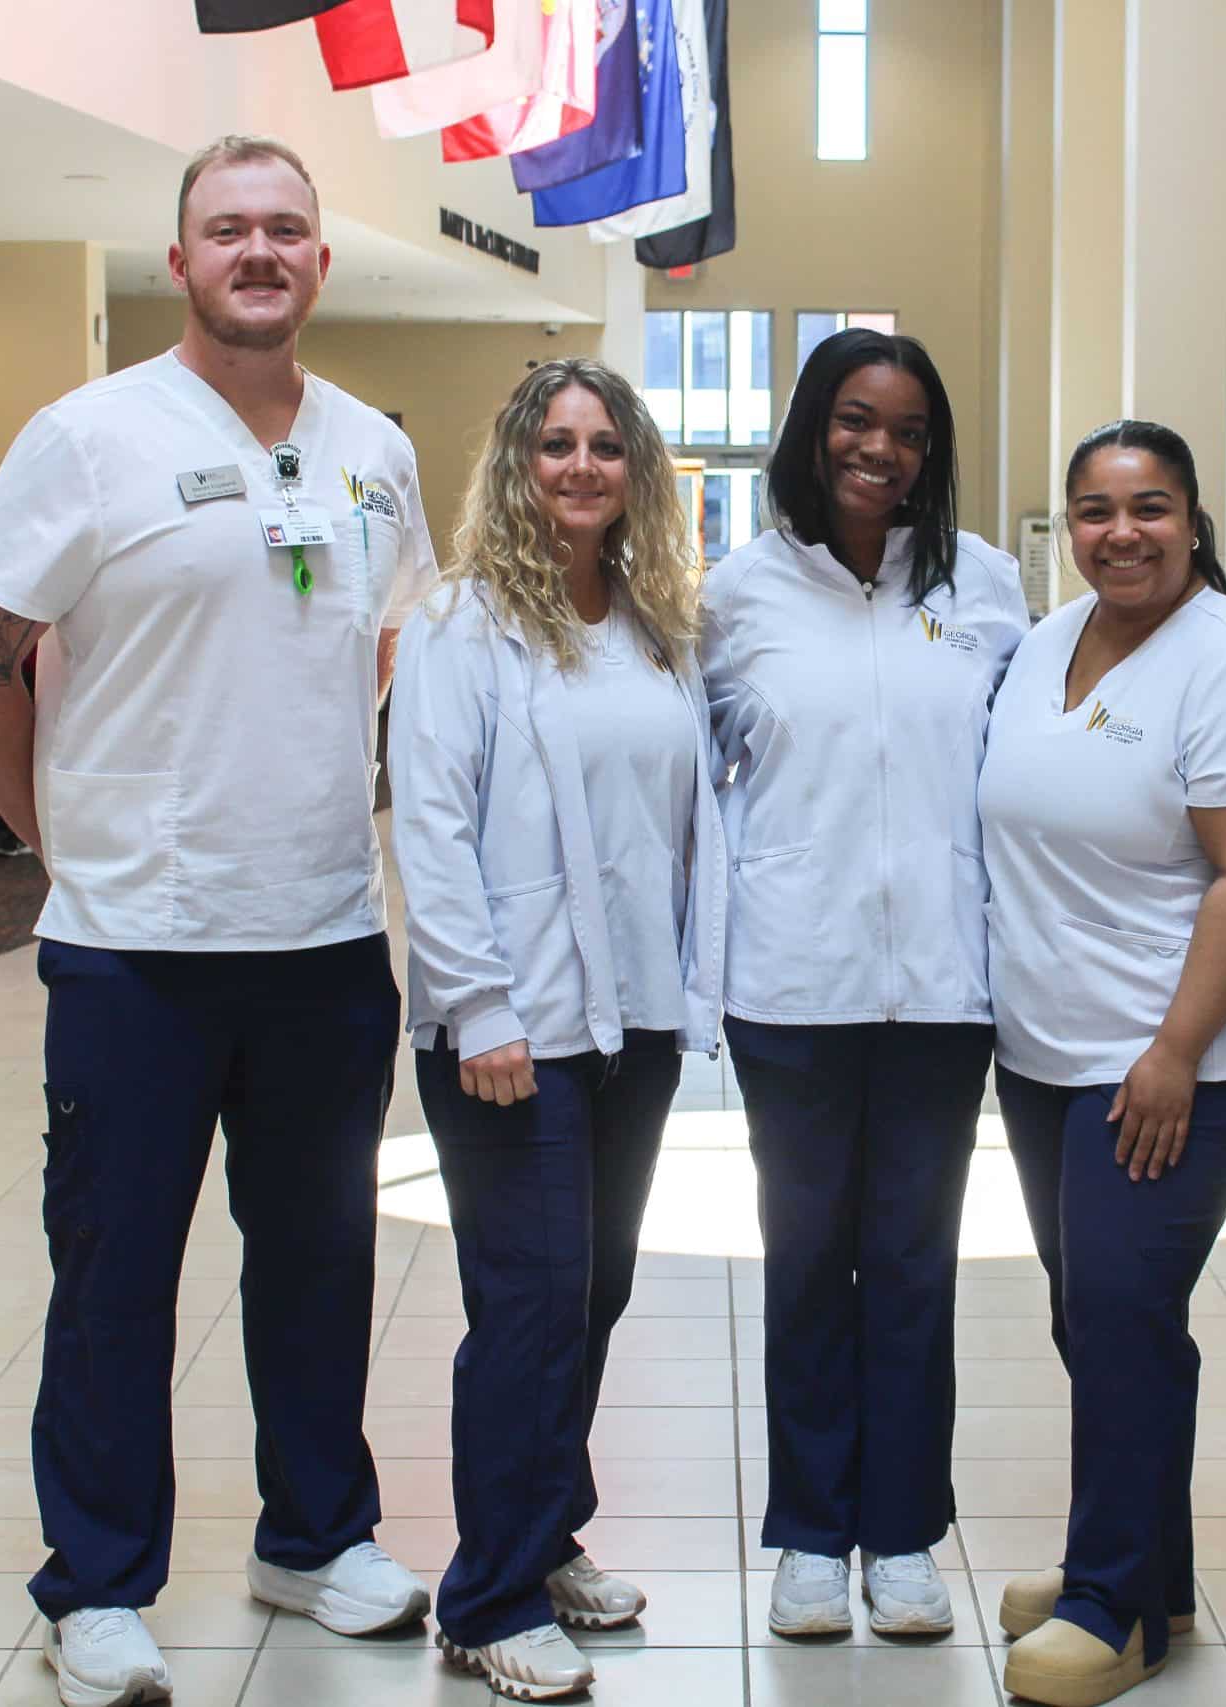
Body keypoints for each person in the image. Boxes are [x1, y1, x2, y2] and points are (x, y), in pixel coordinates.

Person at [0, 135, 438, 1707]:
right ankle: (97, 1581)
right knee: (115, 1274)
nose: (258, 251)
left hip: (324, 939)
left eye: (286, 227)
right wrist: (53, 836)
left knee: (319, 1263)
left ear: (321, 261)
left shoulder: (371, 449)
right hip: (136, 950)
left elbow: (387, 642)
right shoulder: (89, 437)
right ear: (180, 260)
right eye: (229, 229)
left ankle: (315, 1535)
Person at [390, 358, 724, 1701]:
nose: (581, 466)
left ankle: (546, 1532)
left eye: (605, 446)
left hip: (629, 1022)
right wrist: (478, 1002)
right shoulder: (461, 622)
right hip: (508, 1027)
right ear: (517, 465)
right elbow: (429, 822)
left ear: (636, 471)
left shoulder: (653, 624)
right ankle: (487, 1593)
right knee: (526, 1305)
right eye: (555, 444)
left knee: (592, 1291)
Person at [698, 328, 1028, 1637]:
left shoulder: (985, 586)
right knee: (804, 1263)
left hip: (943, 987)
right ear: (810, 428)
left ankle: (899, 1533)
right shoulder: (739, 594)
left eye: (907, 428)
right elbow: (692, 779)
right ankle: (805, 1534)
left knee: (911, 1264)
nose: (878, 448)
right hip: (792, 983)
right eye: (853, 418)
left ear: (931, 448)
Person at [981, 422, 1226, 1707]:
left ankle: (1112, 1607)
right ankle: (1142, 1570)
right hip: (1047, 1048)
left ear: (1192, 519)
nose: (1121, 533)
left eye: (1150, 507)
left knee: (1122, 1314)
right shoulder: (1050, 640)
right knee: (1092, 1316)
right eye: (1095, 510)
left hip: (1177, 1057)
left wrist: (1175, 1051)